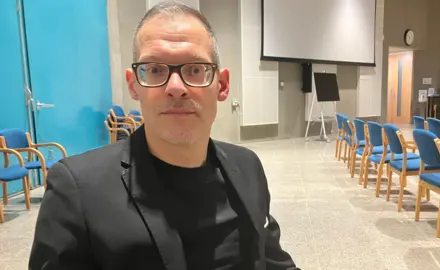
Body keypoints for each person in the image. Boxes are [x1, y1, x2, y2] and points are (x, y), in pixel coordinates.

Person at [29, 1, 298, 270]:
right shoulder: (77, 189)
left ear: (222, 85)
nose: (176, 88)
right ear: (134, 85)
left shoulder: (248, 166)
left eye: (195, 69)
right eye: (155, 70)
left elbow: (273, 260)